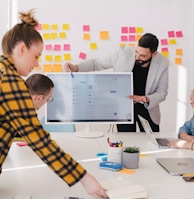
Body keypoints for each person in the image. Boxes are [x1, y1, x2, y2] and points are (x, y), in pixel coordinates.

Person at [0, 9, 107, 198]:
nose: (36, 65)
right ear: (21, 49)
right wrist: (84, 178)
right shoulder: (10, 82)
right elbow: (38, 140)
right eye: (36, 56)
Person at [64, 33, 169, 132]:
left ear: (154, 54)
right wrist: (76, 68)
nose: (137, 57)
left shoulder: (162, 63)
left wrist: (146, 99)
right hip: (123, 107)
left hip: (147, 108)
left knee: (152, 144)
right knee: (127, 144)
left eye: (143, 56)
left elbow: (162, 92)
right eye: (136, 52)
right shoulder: (122, 53)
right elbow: (96, 63)